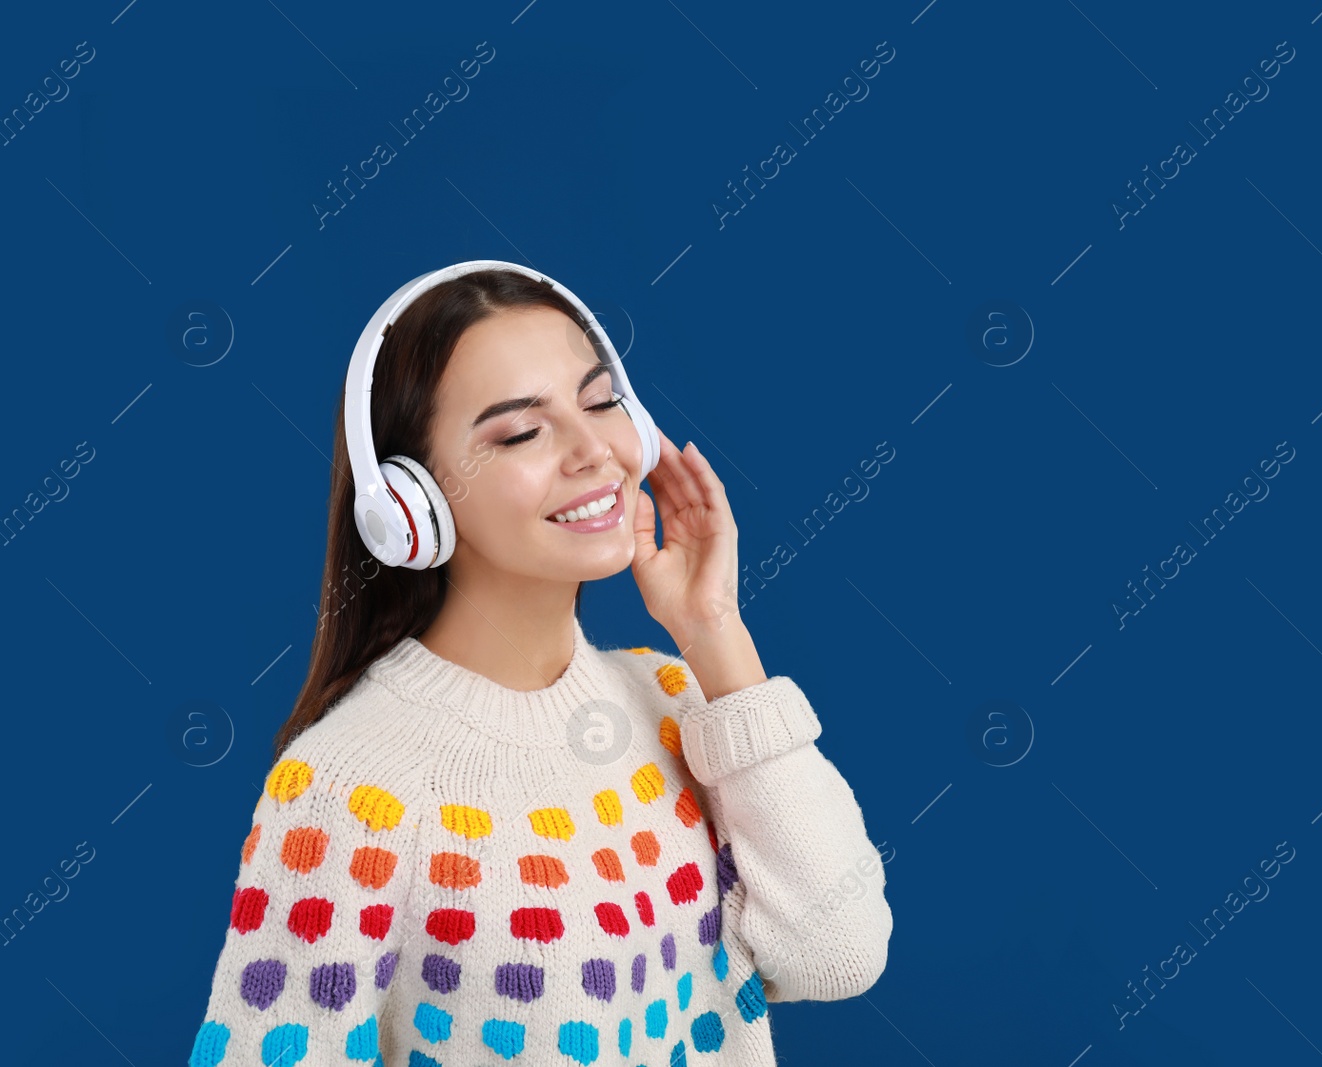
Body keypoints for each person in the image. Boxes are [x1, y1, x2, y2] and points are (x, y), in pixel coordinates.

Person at [186, 265, 891, 1067]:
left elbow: (839, 951)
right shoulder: (349, 791)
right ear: (408, 505)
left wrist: (714, 630)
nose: (593, 451)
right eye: (521, 432)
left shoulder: (673, 695)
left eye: (599, 402)